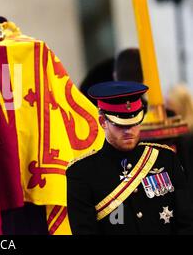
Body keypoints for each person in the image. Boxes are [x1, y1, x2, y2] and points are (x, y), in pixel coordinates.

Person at [66, 81, 193, 234]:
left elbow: (186, 222)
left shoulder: (165, 159)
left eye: (134, 123)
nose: (129, 131)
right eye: (120, 125)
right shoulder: (82, 173)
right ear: (102, 122)